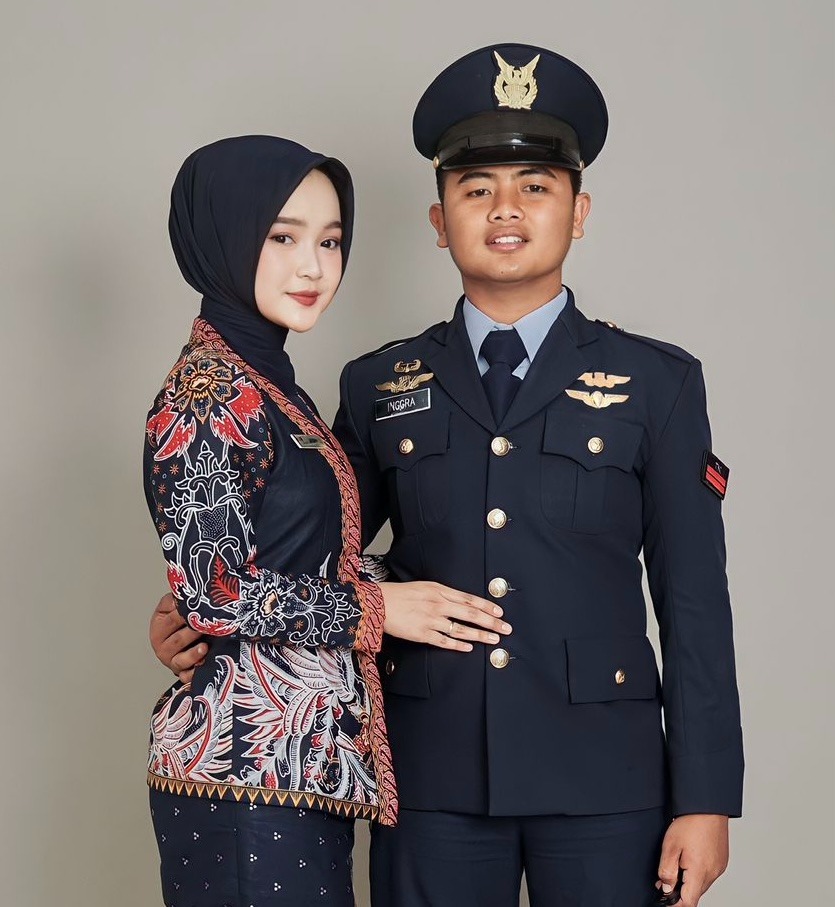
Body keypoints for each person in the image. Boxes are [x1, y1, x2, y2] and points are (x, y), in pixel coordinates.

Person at [153, 44, 743, 907]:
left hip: (605, 780)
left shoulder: (657, 382)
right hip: (431, 776)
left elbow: (693, 601)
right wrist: (195, 613)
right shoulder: (376, 384)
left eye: (535, 186)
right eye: (475, 190)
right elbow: (311, 549)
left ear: (578, 212)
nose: (505, 209)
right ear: (438, 220)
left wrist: (705, 797)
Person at [143, 134, 510, 907]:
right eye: (282, 238)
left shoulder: (270, 385)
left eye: (330, 241)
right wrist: (379, 608)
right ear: (223, 237)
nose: (313, 267)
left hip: (295, 768)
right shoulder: (207, 392)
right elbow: (215, 591)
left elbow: (289, 559)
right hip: (241, 770)